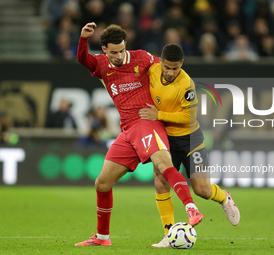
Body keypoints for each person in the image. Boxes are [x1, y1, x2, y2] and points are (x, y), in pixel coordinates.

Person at [74, 23, 203, 246]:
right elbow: (83, 60)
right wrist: (83, 40)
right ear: (104, 49)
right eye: (113, 52)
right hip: (127, 131)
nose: (118, 55)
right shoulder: (102, 64)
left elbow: (168, 69)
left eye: (122, 50)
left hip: (146, 123)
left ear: (126, 46)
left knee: (164, 166)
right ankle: (103, 238)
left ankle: (191, 208)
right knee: (102, 183)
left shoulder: (142, 58)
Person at [139, 44, 241, 248]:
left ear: (181, 65)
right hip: (165, 139)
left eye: (175, 68)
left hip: (190, 140)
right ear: (160, 61)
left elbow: (188, 117)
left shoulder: (186, 84)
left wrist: (158, 115)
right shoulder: (152, 70)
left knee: (201, 190)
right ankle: (169, 234)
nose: (170, 72)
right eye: (167, 67)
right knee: (160, 183)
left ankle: (224, 197)